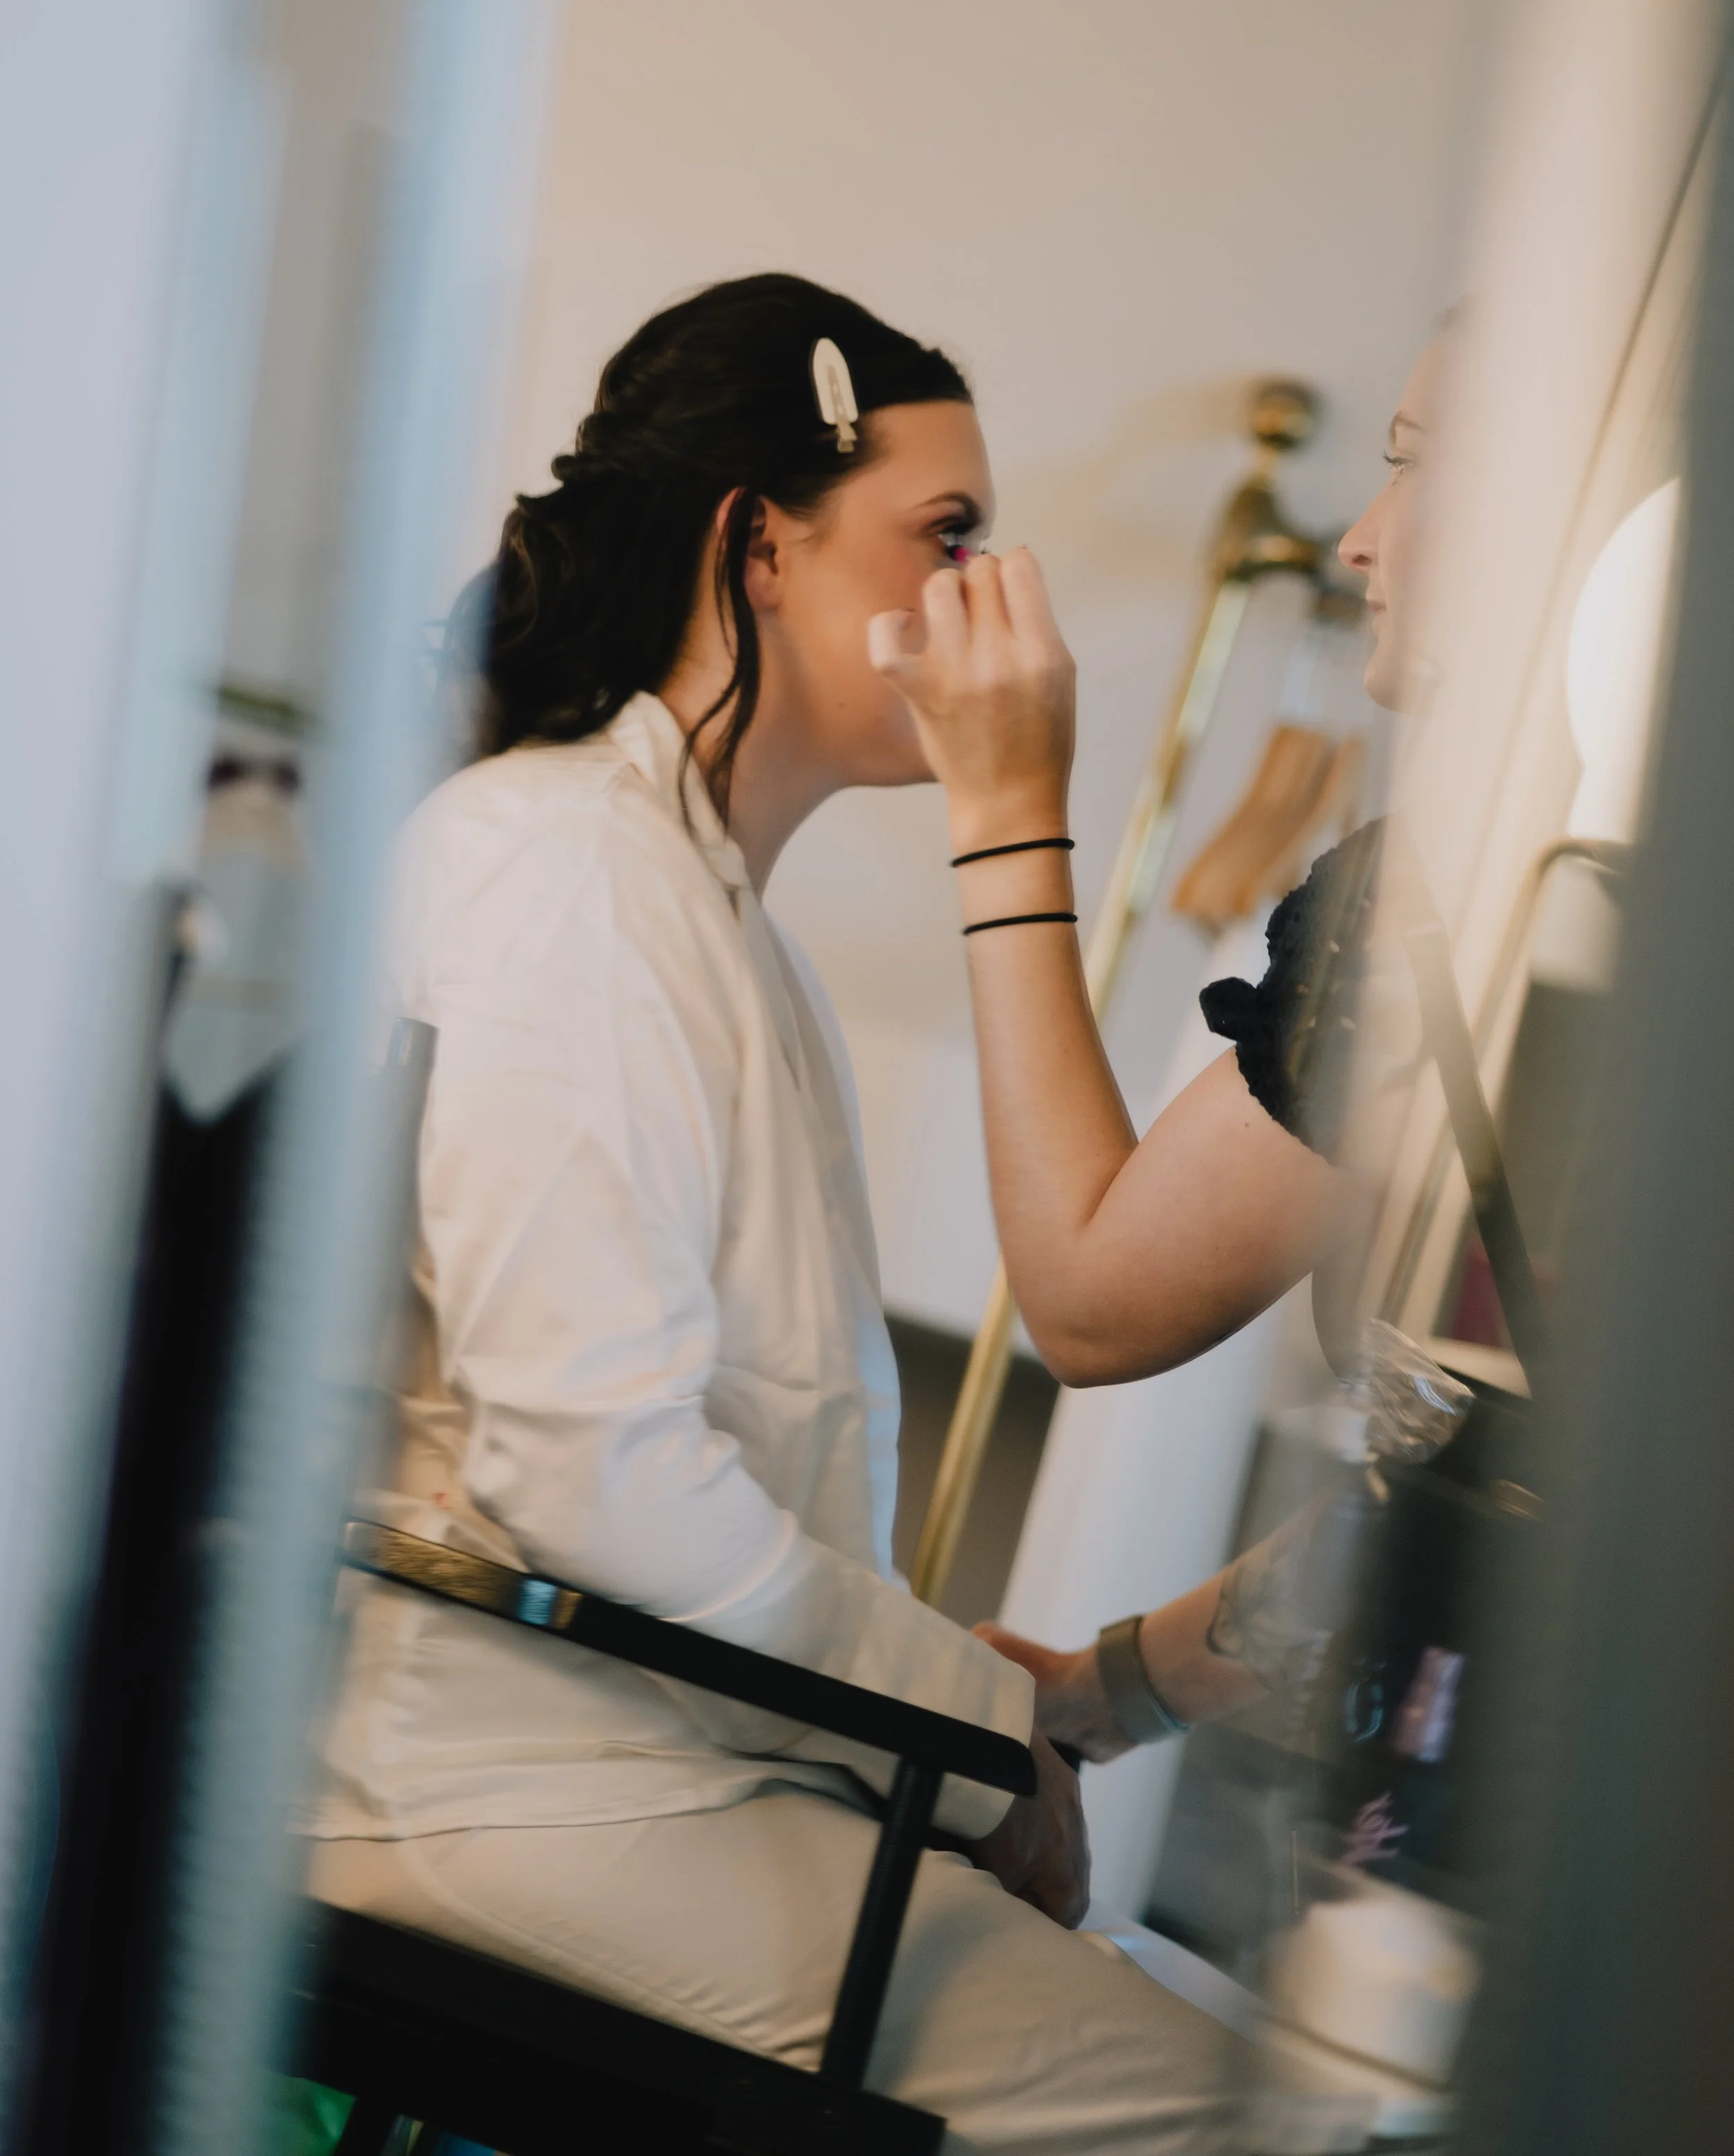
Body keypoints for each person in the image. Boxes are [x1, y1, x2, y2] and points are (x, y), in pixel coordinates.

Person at [302, 275, 1234, 2154]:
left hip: (678, 1761)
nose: (992, 593)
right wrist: (974, 1739)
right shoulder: (560, 862)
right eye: (944, 532)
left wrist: (975, 1730)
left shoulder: (725, 932)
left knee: (1204, 2036)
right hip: (519, 1784)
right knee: (1224, 2117)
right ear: (758, 543)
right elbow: (602, 1478)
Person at [868, 332, 1440, 1748]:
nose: (1358, 544)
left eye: (1410, 467)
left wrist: (1002, 807)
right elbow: (1455, 1486)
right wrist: (1096, 1694)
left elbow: (1092, 1304)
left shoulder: (1449, 904)